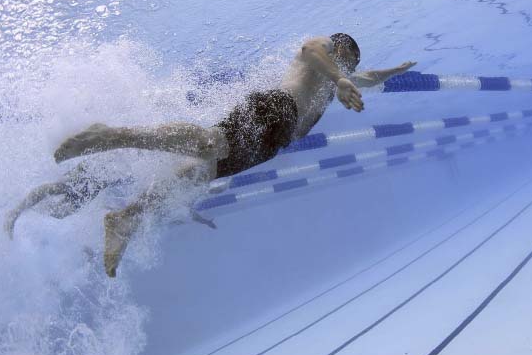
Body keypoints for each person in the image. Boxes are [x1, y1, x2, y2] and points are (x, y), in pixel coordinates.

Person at [51, 34, 415, 277]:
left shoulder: (339, 77)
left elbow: (366, 77)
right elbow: (310, 51)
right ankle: (109, 135)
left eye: (349, 67)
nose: (348, 69)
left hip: (273, 143)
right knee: (210, 144)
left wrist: (392, 71)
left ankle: (126, 216)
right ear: (338, 48)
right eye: (346, 60)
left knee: (197, 174)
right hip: (278, 107)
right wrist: (339, 79)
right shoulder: (324, 55)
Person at [4, 162, 135, 239]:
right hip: (91, 169)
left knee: (61, 213)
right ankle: (15, 212)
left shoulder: (138, 169)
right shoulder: (131, 151)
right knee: (59, 188)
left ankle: (33, 206)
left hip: (97, 185)